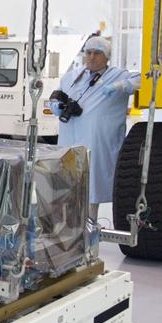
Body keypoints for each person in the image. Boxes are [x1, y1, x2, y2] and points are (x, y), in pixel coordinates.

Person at [47, 36, 141, 218]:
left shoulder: (117, 75)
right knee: (68, 188)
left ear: (106, 57)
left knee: (91, 190)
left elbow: (146, 79)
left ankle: (89, 230)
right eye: (88, 52)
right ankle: (69, 231)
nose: (91, 57)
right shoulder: (71, 77)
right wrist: (57, 107)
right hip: (69, 141)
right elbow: (55, 99)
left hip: (98, 144)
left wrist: (120, 86)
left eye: (97, 53)